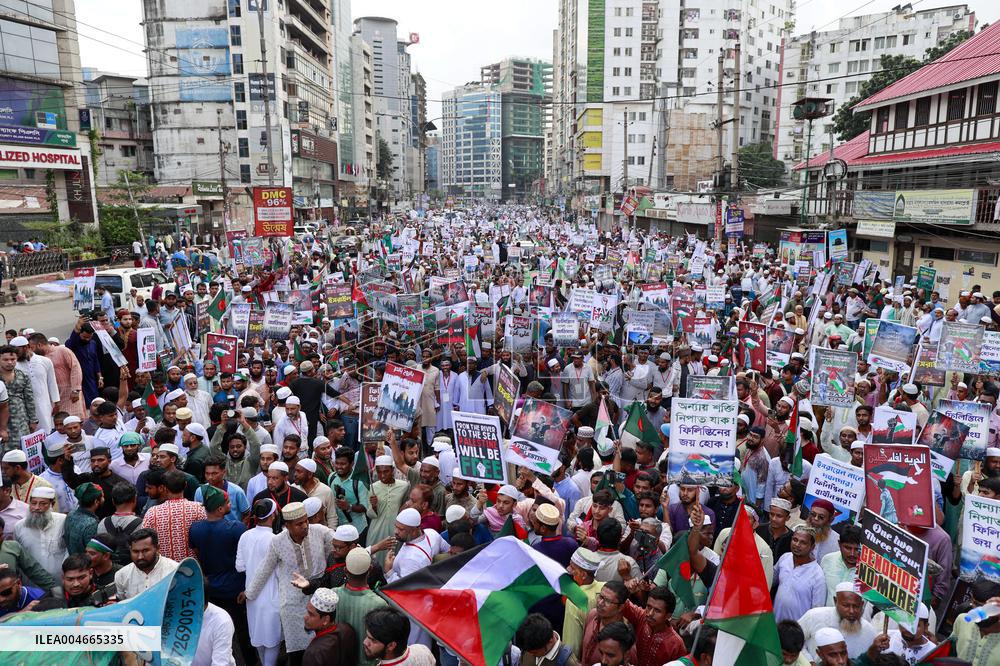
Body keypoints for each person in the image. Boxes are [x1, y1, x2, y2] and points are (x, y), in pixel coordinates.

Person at [244, 502, 333, 666]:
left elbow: (338, 546)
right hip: (292, 603)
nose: (305, 526)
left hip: (318, 596)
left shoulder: (320, 532)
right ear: (287, 525)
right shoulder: (278, 541)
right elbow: (265, 568)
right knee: (297, 652)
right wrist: (249, 593)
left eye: (306, 521)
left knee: (322, 647)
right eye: (299, 524)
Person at [236, 499, 283, 666]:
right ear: (273, 515)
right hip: (272, 596)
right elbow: (279, 572)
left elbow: (239, 566)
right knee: (273, 640)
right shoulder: (275, 540)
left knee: (258, 639)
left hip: (252, 598)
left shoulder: (245, 536)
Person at [773, 526, 826, 623]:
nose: (797, 545)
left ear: (812, 547)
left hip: (796, 632)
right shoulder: (785, 558)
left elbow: (817, 611)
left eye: (803, 542)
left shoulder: (818, 575)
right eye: (795, 540)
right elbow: (770, 581)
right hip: (773, 625)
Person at [13, 486, 66, 582]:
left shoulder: (63, 521)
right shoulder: (19, 527)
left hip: (60, 582)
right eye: (33, 503)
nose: (37, 508)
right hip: (32, 584)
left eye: (43, 504)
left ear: (52, 504)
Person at [114, 528, 179, 600]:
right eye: (135, 551)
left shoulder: (174, 570)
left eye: (145, 551)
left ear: (157, 548)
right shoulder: (122, 575)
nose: (140, 557)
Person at [302, 587, 358, 666]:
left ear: (326, 620)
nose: (305, 617)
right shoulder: (347, 630)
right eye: (307, 611)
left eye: (311, 614)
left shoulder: (314, 653)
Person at [362, 607, 436, 666]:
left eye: (373, 640)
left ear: (391, 645)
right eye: (367, 636)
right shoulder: (423, 651)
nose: (365, 642)